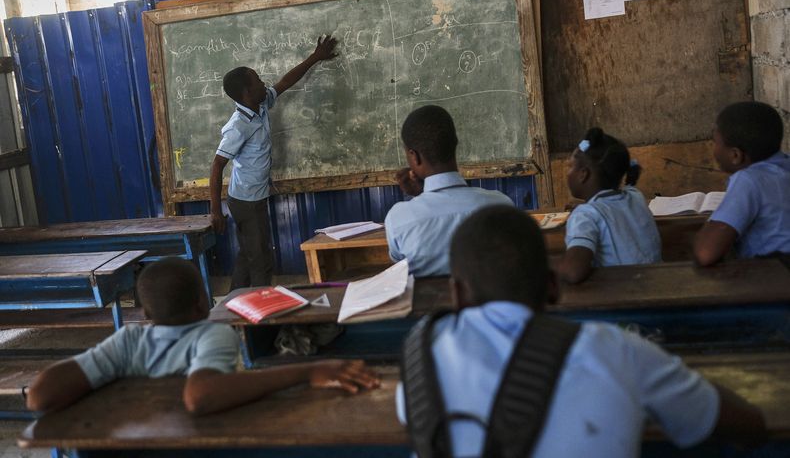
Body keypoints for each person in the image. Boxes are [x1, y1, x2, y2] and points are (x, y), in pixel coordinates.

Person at [397, 206, 766, 457]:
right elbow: (747, 425)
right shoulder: (617, 351)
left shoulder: (418, 366)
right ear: (553, 286)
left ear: (456, 295)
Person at [26, 257, 379, 415]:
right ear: (202, 305)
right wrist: (307, 371)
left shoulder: (128, 341)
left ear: (146, 314)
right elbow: (200, 397)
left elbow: (39, 396)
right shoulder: (212, 336)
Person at [210, 35, 339, 290]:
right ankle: (262, 316)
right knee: (261, 262)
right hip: (247, 202)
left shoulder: (260, 105)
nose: (263, 83)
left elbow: (285, 82)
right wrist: (215, 212)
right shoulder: (238, 126)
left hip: (253, 196)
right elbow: (216, 167)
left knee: (248, 258)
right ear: (247, 92)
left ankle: (235, 309)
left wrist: (315, 57)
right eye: (258, 80)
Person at [384, 105, 514, 277]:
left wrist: (423, 197)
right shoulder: (502, 204)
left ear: (414, 156)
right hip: (490, 301)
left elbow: (400, 268)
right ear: (455, 145)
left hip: (430, 302)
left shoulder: (398, 219)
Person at [554, 127, 660, 284]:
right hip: (655, 285)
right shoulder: (635, 196)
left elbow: (573, 272)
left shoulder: (585, 215)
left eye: (570, 166)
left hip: (625, 298)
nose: (567, 172)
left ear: (583, 174)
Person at [694, 101, 790, 266]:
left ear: (735, 155)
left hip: (778, 277)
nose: (714, 149)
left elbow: (706, 253)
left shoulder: (749, 180)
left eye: (715, 142)